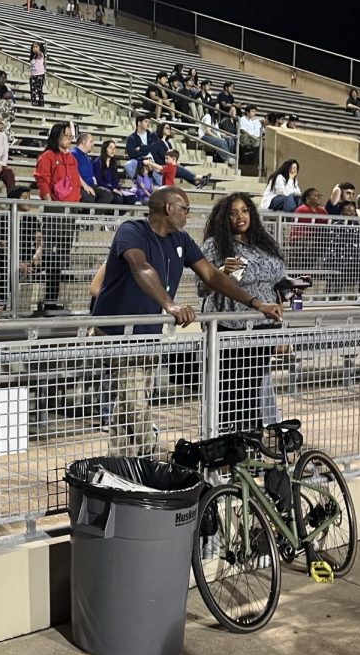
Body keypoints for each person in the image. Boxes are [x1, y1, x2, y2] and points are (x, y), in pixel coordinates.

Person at [89, 187, 282, 456]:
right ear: (169, 209)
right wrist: (170, 304)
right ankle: (150, 458)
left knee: (130, 402)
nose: (188, 215)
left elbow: (212, 276)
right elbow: (140, 267)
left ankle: (119, 461)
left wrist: (256, 303)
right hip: (116, 333)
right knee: (134, 401)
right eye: (185, 209)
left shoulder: (181, 239)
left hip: (148, 334)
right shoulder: (131, 230)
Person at [199, 193, 287, 433]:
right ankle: (225, 444)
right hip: (230, 328)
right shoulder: (214, 245)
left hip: (263, 328)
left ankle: (250, 442)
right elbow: (202, 288)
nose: (240, 217)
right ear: (224, 218)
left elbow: (277, 278)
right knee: (229, 392)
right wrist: (220, 270)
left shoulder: (263, 242)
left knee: (252, 389)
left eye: (245, 210)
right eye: (233, 212)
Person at [34, 122, 82, 312]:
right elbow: (42, 180)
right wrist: (50, 204)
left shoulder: (71, 157)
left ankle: (53, 298)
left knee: (63, 253)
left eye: (71, 136)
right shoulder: (47, 156)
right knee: (52, 254)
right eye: (66, 135)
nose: (70, 139)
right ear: (57, 137)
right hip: (55, 210)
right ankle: (49, 298)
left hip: (71, 210)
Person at [72, 132, 113, 204]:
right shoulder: (73, 154)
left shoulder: (88, 157)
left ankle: (95, 215)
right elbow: (74, 173)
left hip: (91, 185)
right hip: (79, 186)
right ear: (83, 142)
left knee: (107, 194)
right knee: (90, 197)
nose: (93, 144)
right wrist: (85, 186)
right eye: (91, 141)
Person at [29, 41, 47, 107]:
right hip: (33, 75)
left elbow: (39, 53)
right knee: (33, 91)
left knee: (39, 90)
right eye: (33, 47)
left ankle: (41, 104)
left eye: (36, 47)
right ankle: (34, 103)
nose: (34, 48)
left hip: (40, 75)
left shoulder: (41, 55)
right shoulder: (32, 56)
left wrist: (37, 51)